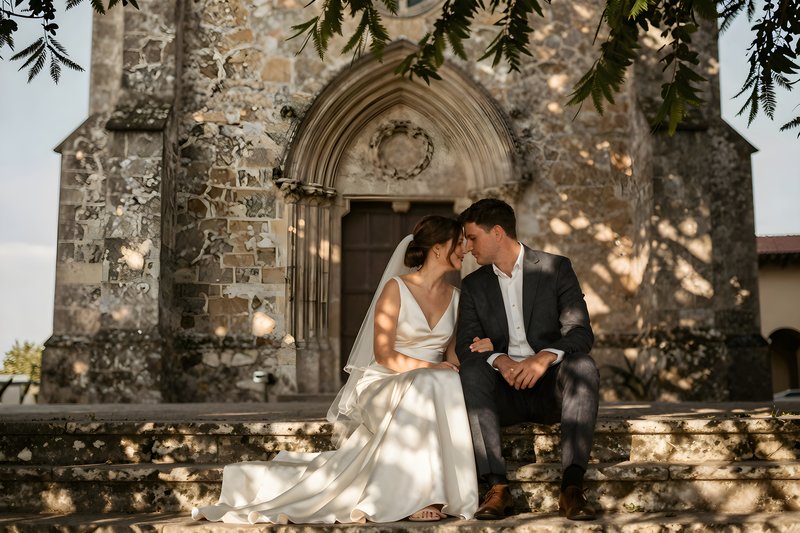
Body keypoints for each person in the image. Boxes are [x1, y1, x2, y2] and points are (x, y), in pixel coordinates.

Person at [192, 215, 491, 524]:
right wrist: (431, 367)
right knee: (433, 380)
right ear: (439, 248)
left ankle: (439, 490)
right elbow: (384, 354)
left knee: (444, 379)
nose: (466, 249)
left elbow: (452, 356)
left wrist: (476, 349)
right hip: (387, 380)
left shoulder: (456, 298)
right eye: (460, 243)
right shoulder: (396, 288)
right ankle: (418, 495)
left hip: (428, 381)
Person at [455, 199, 600, 521]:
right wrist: (501, 360)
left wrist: (543, 357)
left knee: (584, 366)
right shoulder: (473, 285)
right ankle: (496, 488)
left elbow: (580, 333)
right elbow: (466, 344)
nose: (466, 247)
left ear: (496, 233)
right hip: (503, 394)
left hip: (551, 390)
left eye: (471, 238)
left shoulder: (555, 268)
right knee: (473, 371)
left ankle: (572, 488)